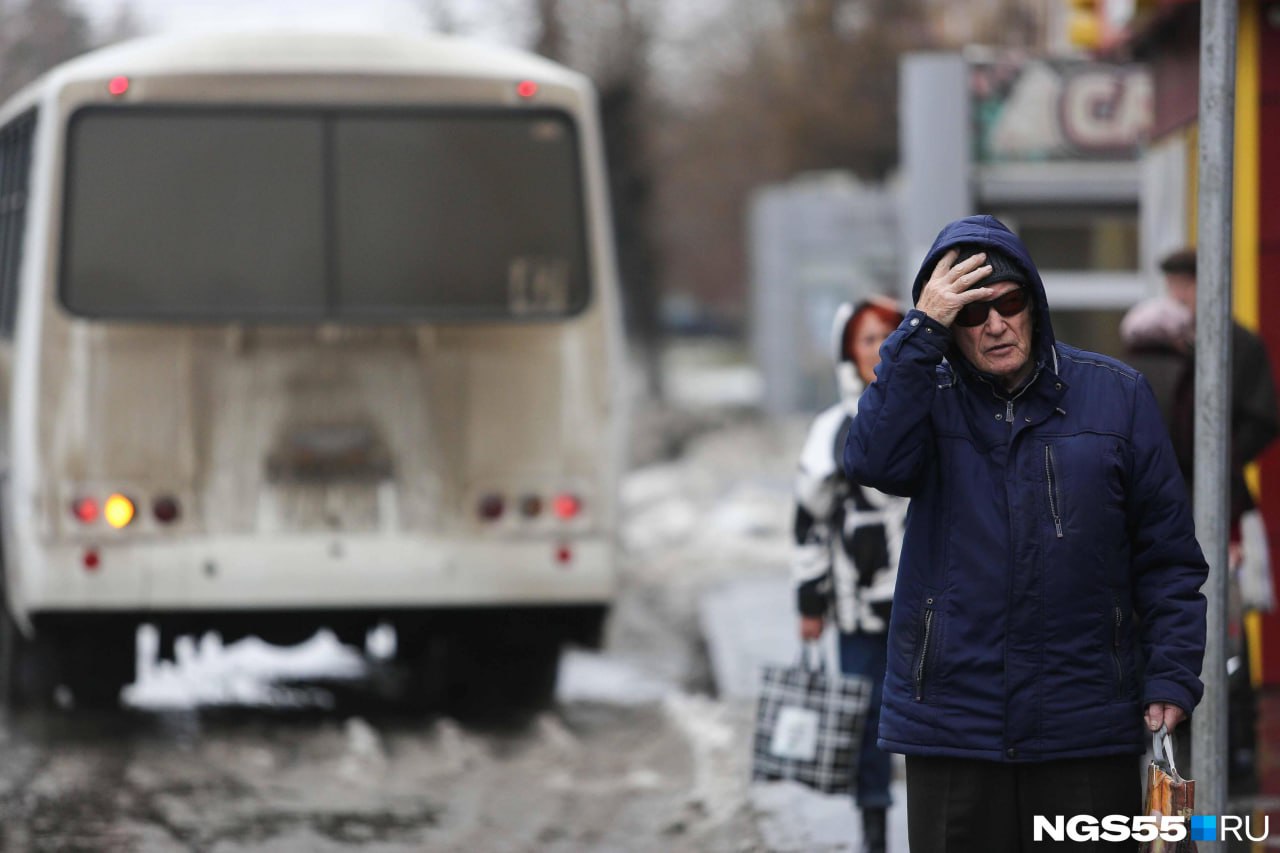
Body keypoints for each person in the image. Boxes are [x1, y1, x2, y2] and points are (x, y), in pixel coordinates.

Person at [844, 215, 1208, 851]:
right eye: (971, 312)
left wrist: (1172, 673)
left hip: (1084, 725)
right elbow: (871, 461)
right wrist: (920, 328)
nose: (994, 323)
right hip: (954, 727)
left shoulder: (1117, 397)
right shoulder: (925, 397)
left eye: (1009, 303)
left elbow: (1168, 557)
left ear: (1034, 305)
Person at [792, 297, 906, 853]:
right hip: (858, 606)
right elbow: (808, 524)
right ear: (847, 351)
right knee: (867, 725)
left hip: (930, 604)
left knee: (943, 719)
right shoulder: (832, 429)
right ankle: (875, 834)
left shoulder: (931, 412)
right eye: (866, 339)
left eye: (889, 336)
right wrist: (810, 604)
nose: (879, 350)